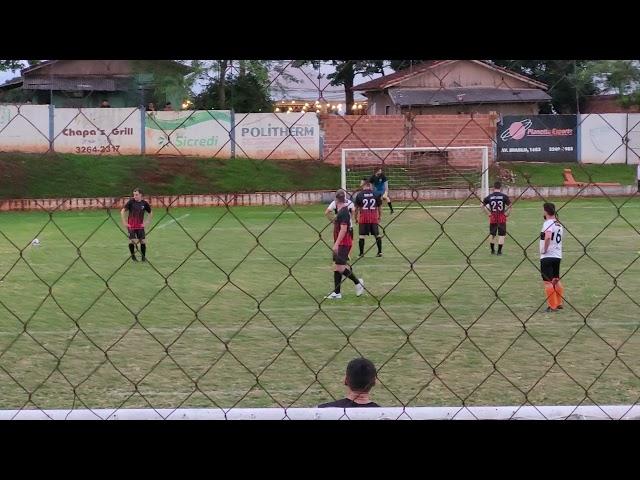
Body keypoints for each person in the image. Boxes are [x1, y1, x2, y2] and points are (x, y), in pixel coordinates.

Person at [325, 190, 364, 300]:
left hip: (343, 243)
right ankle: (337, 293)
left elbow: (344, 229)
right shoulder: (343, 210)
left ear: (336, 200)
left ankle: (358, 282)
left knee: (340, 267)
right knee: (336, 267)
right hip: (341, 242)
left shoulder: (343, 212)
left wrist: (336, 244)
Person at [540, 202, 564, 313]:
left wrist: (544, 249)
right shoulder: (558, 224)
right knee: (556, 280)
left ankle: (552, 306)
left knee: (548, 282)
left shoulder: (548, 223)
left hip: (548, 256)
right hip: (557, 256)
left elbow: (548, 237)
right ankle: (559, 303)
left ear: (545, 211)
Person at [120, 188, 153, 262]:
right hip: (131, 226)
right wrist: (125, 222)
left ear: (141, 195)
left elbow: (150, 212)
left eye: (136, 195)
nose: (134, 196)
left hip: (140, 226)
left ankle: (143, 258)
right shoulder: (131, 202)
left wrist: (146, 222)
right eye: (134, 195)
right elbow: (122, 211)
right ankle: (133, 257)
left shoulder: (144, 203)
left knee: (143, 241)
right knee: (132, 241)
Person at [354, 179, 383, 257]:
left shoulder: (359, 195)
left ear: (364, 185)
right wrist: (380, 216)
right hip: (373, 217)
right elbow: (379, 207)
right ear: (369, 185)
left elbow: (356, 208)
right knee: (377, 235)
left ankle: (361, 253)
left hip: (363, 218)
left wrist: (355, 218)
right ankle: (380, 252)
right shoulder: (376, 194)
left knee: (361, 236)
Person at [482, 181, 512, 255]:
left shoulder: (489, 196)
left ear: (493, 188)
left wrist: (488, 214)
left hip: (493, 217)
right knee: (501, 235)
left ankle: (492, 250)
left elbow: (482, 205)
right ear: (500, 188)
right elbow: (510, 206)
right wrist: (507, 213)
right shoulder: (504, 196)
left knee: (492, 234)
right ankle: (499, 251)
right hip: (501, 217)